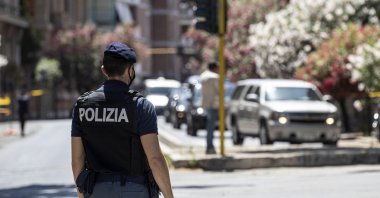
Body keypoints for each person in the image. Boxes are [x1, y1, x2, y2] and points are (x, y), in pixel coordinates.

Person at [71, 42, 173, 198]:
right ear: (130, 70)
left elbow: (77, 159)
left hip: (96, 191)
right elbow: (155, 159)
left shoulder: (82, 106)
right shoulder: (140, 106)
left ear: (104, 71)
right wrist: (169, 196)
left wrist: (82, 194)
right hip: (135, 190)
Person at [200, 62, 219, 154]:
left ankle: (209, 146)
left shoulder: (203, 76)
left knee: (209, 127)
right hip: (213, 104)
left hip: (206, 104)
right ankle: (210, 146)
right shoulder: (215, 77)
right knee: (211, 127)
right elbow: (219, 91)